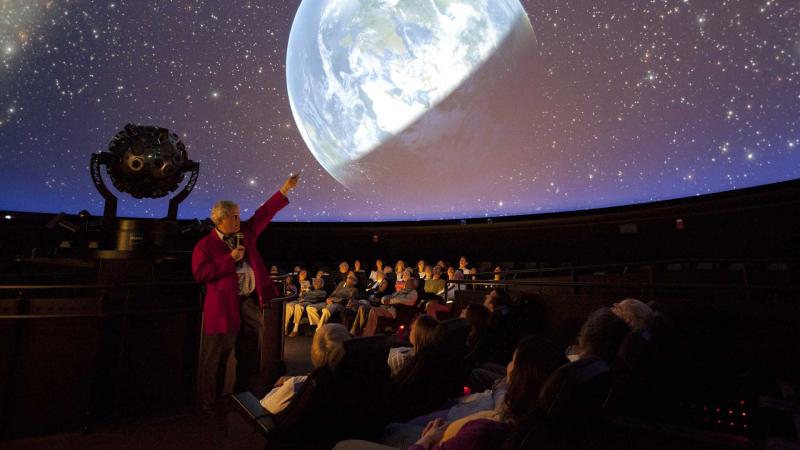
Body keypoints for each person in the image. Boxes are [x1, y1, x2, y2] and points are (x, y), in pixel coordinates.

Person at [192, 172, 299, 414]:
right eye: (232, 217)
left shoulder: (246, 234)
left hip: (249, 304)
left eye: (239, 215)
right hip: (223, 309)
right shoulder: (205, 245)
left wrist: (284, 190)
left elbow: (263, 214)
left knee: (249, 355)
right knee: (216, 359)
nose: (238, 220)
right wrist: (228, 259)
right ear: (219, 221)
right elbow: (200, 273)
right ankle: (209, 405)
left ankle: (243, 399)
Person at [260, 323, 350, 414]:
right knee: (278, 366)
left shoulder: (297, 387)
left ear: (314, 353)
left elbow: (264, 407)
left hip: (264, 409)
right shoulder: (355, 383)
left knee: (273, 367)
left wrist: (293, 382)